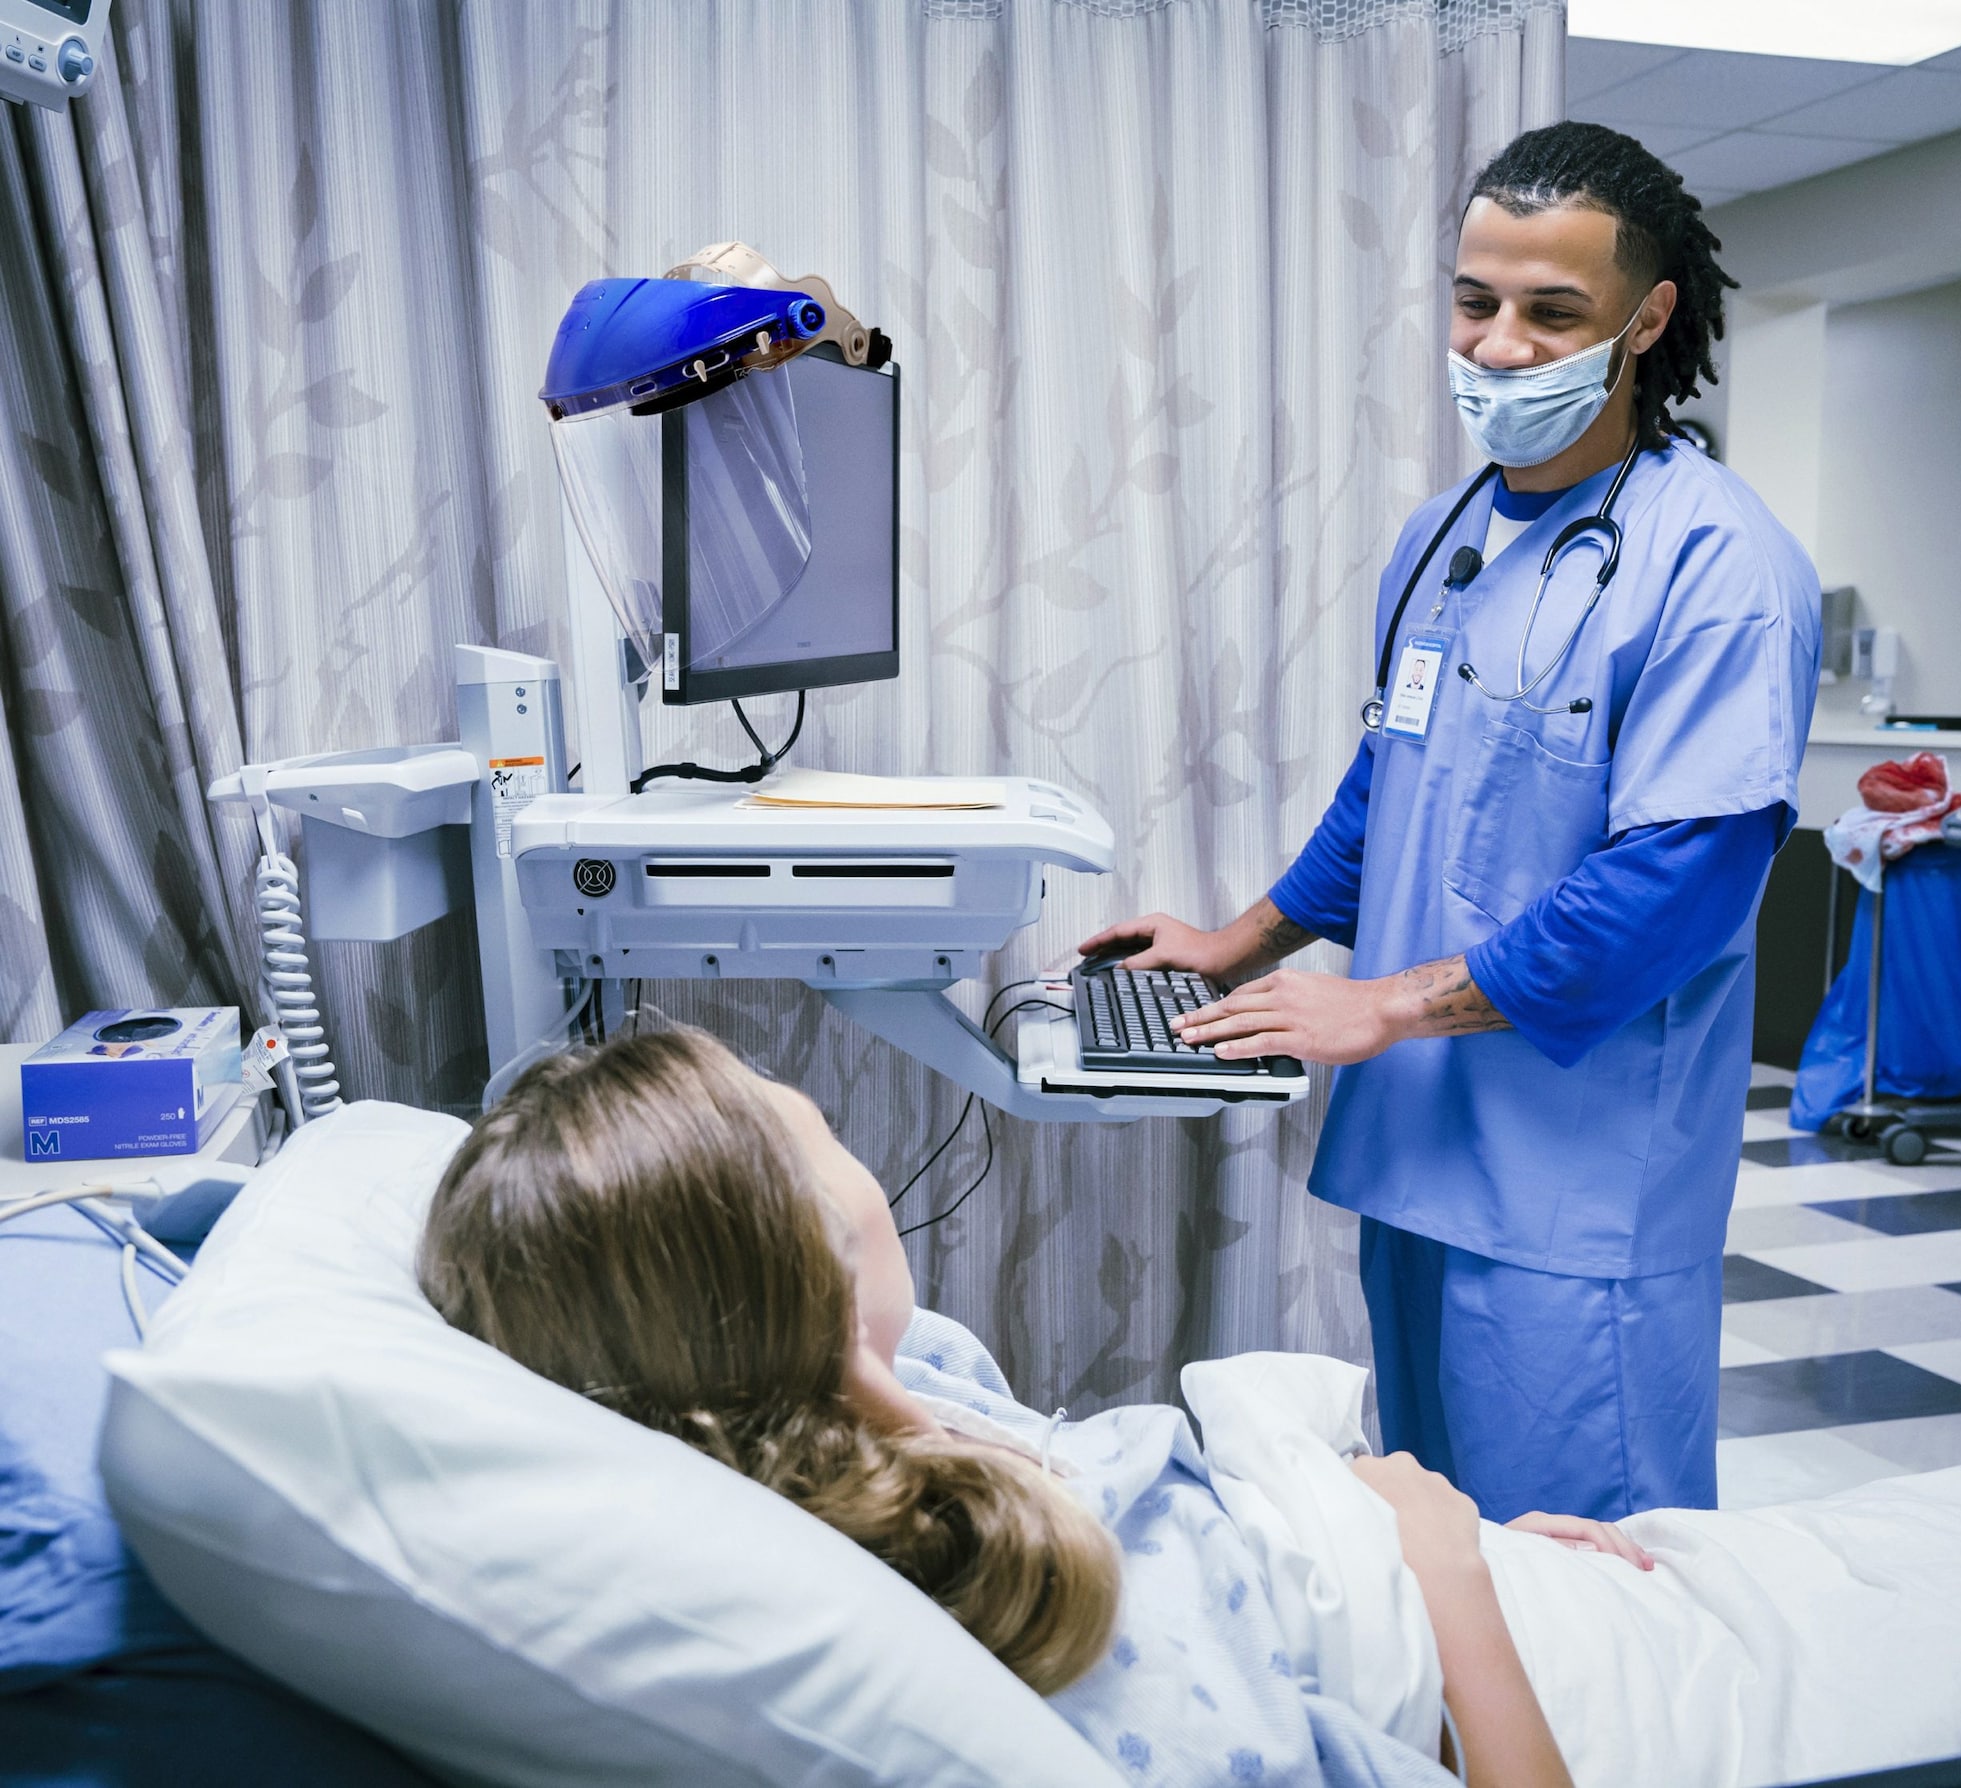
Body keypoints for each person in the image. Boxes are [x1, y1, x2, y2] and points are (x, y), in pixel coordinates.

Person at [1082, 122, 1822, 1524]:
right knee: (1445, 1549)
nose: (1496, 347)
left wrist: (1390, 1011)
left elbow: (1685, 879)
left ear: (1648, 322)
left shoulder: (1718, 562)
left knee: (1587, 1587)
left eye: (1555, 314)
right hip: (1426, 1162)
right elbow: (1396, 787)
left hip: (1576, 1200)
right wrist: (1242, 942)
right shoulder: (1449, 537)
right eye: (1475, 301)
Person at [419, 1026, 1647, 1788]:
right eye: (823, 1129)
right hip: (1473, 1662)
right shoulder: (1038, 1626)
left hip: (1420, 1566)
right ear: (826, 1248)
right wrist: (1445, 1575)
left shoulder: (891, 1395)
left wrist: (1418, 1536)